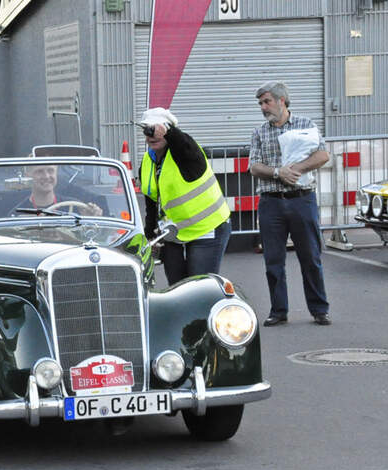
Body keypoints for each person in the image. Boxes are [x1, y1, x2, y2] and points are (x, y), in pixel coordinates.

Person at [248, 81, 331, 326]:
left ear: (282, 100)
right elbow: (254, 166)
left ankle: (319, 309)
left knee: (310, 257)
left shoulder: (307, 125)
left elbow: (323, 154)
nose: (263, 107)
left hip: (301, 200)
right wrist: (277, 173)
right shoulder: (260, 132)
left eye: (267, 101)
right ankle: (278, 310)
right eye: (261, 103)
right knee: (273, 260)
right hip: (271, 203)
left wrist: (296, 168)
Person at [137, 107, 231, 286]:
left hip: (207, 227)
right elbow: (151, 202)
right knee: (177, 287)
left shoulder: (185, 152)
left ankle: (204, 315)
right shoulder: (148, 161)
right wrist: (150, 235)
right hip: (175, 231)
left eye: (156, 131)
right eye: (147, 131)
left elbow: (183, 143)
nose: (152, 136)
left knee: (199, 287)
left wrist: (169, 132)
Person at [11, 163, 103, 216]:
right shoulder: (18, 213)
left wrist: (94, 216)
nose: (46, 176)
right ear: (28, 176)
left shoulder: (77, 208)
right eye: (39, 171)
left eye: (50, 171)